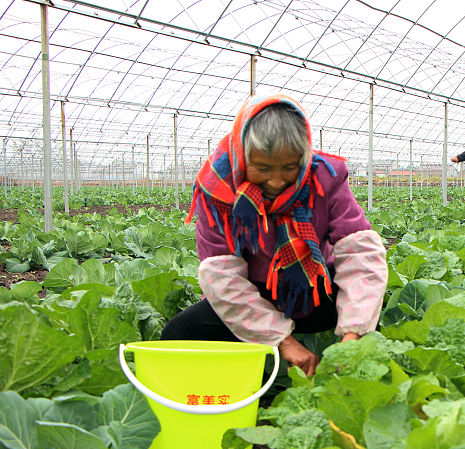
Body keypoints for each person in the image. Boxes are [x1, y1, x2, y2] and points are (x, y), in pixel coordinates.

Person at [161, 94, 388, 377]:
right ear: (242, 155)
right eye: (263, 168)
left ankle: (352, 380)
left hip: (315, 289)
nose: (277, 181)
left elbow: (360, 253)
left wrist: (353, 337)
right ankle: (237, 384)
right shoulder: (218, 190)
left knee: (369, 308)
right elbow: (223, 278)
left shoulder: (324, 177)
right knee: (182, 332)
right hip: (254, 292)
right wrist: (284, 341)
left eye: (290, 167)